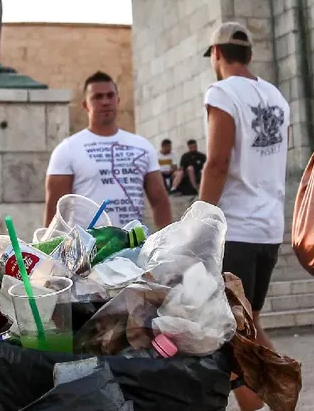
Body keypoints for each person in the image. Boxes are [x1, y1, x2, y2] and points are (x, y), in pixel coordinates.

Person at [198, 22, 291, 411]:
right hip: (268, 229)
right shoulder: (277, 98)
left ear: (216, 54)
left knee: (234, 333)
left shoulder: (221, 92)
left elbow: (217, 162)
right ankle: (280, 392)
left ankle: (282, 393)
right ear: (250, 55)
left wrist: (199, 222)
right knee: (248, 324)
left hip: (235, 228)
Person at [45, 72, 172, 229]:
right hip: (88, 242)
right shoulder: (68, 149)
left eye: (110, 96)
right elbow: (55, 210)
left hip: (133, 242)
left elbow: (160, 202)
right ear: (85, 105)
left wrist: (168, 240)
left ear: (118, 100)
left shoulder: (142, 146)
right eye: (97, 97)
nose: (105, 102)